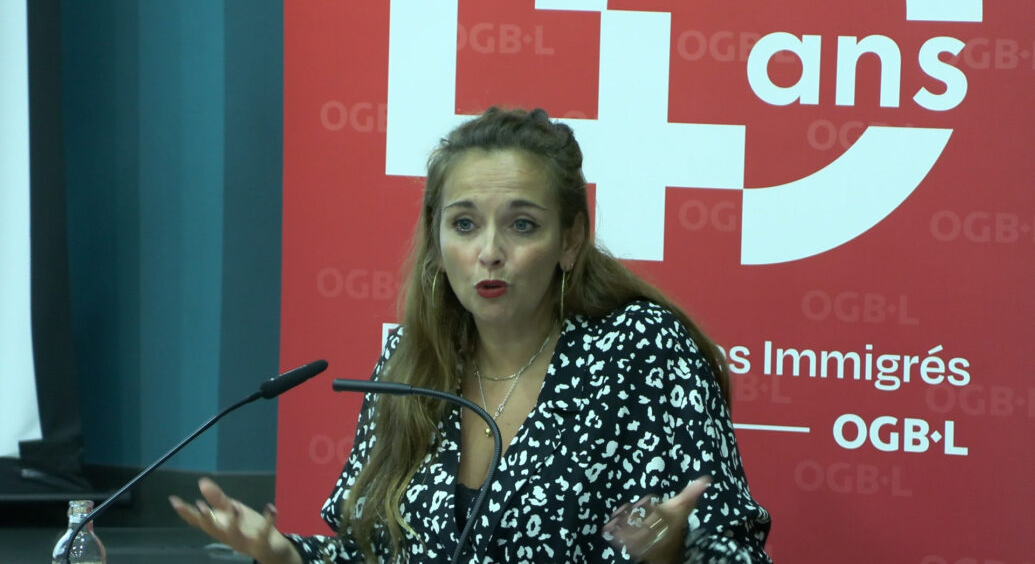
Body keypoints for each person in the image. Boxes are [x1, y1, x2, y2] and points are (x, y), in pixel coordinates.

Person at [170, 107, 772, 563]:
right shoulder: (410, 361)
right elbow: (370, 552)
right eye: (464, 224)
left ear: (569, 241)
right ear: (437, 241)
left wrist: (670, 550)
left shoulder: (643, 350)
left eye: (522, 225)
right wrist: (286, 555)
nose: (489, 252)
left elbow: (732, 549)